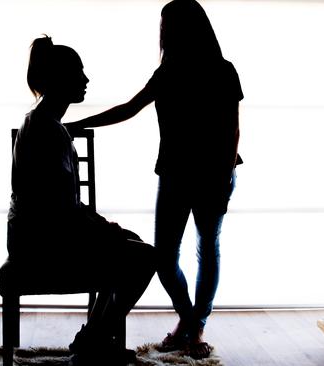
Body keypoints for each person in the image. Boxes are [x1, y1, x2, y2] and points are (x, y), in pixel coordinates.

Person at [65, 0, 243, 359]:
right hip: (177, 173)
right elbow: (129, 108)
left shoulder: (222, 71)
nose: (161, 33)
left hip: (211, 172)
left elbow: (232, 129)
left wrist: (224, 174)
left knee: (207, 248)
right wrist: (78, 125)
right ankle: (191, 322)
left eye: (165, 26)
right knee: (166, 255)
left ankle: (194, 326)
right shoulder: (169, 72)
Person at [8, 35, 156, 365]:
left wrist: (108, 229)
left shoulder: (44, 123)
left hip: (37, 233)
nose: (86, 80)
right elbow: (60, 211)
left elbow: (62, 207)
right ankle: (95, 340)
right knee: (145, 257)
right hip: (42, 242)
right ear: (60, 79)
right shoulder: (47, 131)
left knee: (127, 247)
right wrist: (108, 229)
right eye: (79, 72)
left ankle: (94, 337)